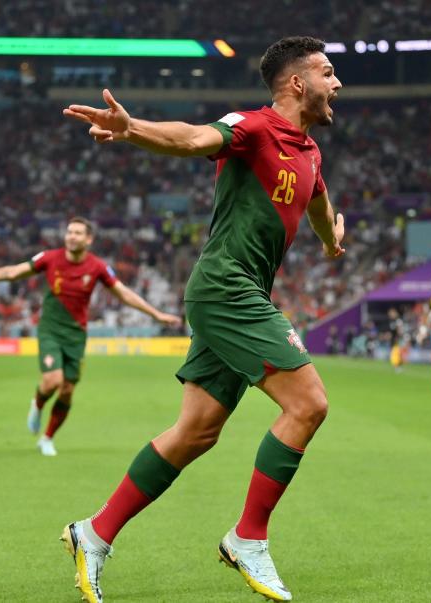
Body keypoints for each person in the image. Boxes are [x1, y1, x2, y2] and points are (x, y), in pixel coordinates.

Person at [59, 36, 344, 602]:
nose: (337, 84)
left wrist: (330, 241)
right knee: (308, 403)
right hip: (225, 288)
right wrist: (131, 127)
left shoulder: (309, 153)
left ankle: (93, 532)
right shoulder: (253, 127)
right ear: (297, 83)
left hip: (238, 295)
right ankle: (248, 538)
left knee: (196, 432)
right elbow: (193, 138)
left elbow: (316, 204)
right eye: (328, 73)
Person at [0, 217, 182, 456]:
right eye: (69, 232)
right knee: (52, 381)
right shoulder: (49, 258)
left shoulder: (97, 267)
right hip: (50, 330)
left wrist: (156, 314)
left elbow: (123, 294)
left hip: (76, 335)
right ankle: (38, 403)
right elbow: (14, 272)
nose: (72, 236)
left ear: (89, 239)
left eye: (77, 233)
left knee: (66, 390)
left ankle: (47, 438)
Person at [387, 307, 408, 373]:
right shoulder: (392, 321)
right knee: (395, 353)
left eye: (391, 313)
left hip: (397, 339)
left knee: (396, 353)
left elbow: (400, 330)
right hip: (393, 339)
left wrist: (398, 337)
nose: (390, 315)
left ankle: (398, 366)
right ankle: (397, 366)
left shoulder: (398, 320)